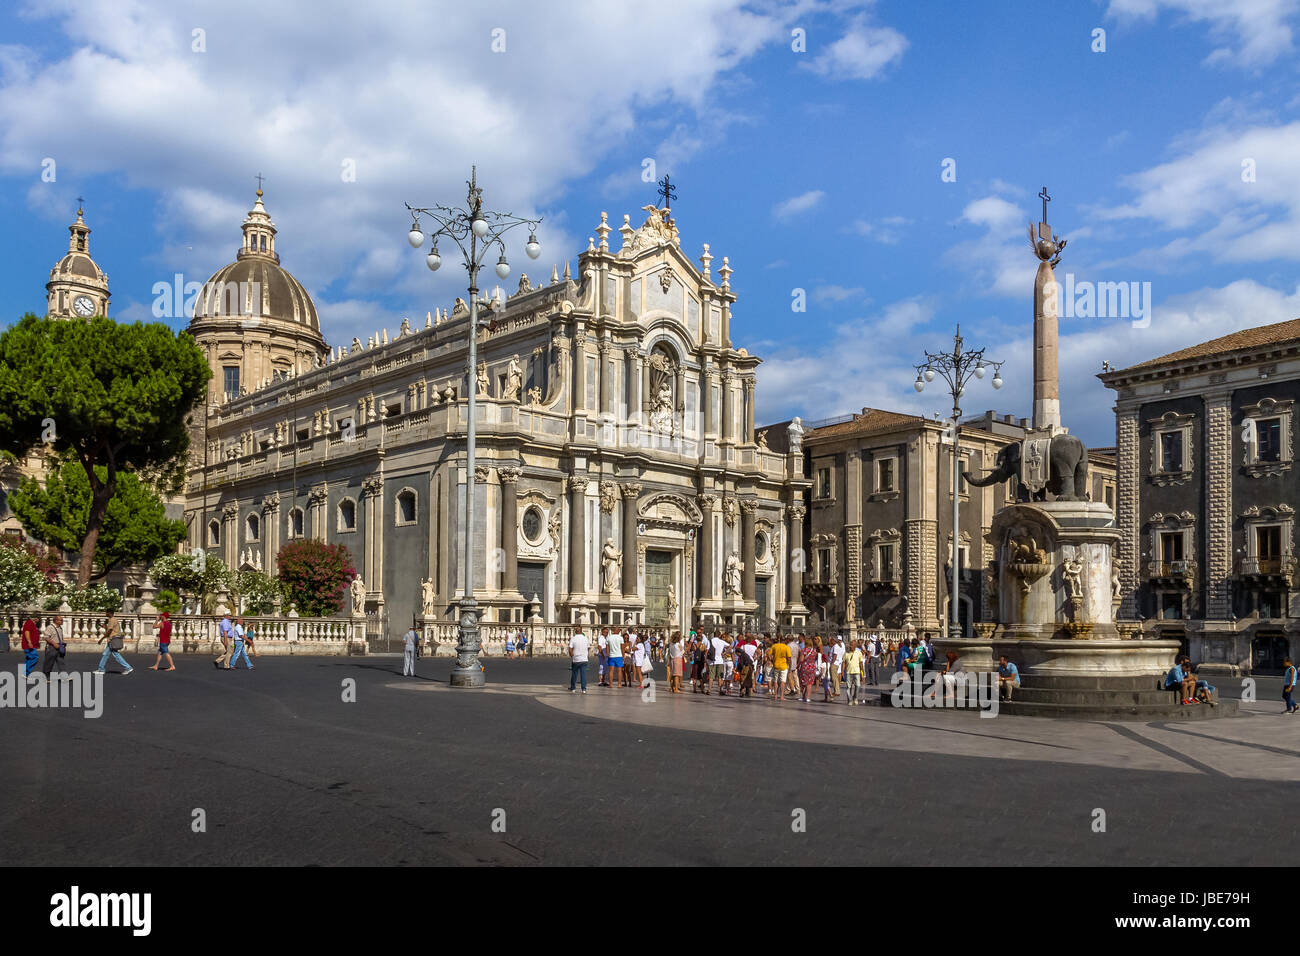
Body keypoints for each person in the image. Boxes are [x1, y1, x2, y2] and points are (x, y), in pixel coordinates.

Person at [96, 610, 133, 675]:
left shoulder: (112, 620)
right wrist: (105, 627)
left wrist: (101, 639)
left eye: (106, 612)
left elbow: (109, 631)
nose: (105, 614)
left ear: (109, 613)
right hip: (112, 640)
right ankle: (101, 669)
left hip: (112, 640)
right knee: (106, 654)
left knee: (115, 655)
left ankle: (128, 667)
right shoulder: (113, 620)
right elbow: (111, 629)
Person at [42, 614, 68, 681]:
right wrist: (54, 644)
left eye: (62, 620)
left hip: (59, 646)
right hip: (51, 647)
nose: (62, 621)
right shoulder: (50, 627)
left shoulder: (60, 628)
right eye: (60, 620)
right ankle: (46, 677)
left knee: (61, 662)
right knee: (49, 662)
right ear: (56, 620)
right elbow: (46, 637)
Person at [768, 637, 791, 702]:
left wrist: (772, 660)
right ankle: (781, 696)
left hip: (776, 666)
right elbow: (789, 658)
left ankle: (775, 695)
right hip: (784, 666)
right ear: (785, 640)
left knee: (775, 681)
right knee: (782, 682)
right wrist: (790, 666)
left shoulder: (774, 646)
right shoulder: (786, 647)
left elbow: (769, 654)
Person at [568, 626, 589, 693]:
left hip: (576, 659)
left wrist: (572, 655)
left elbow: (570, 649)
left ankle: (573, 688)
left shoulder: (573, 639)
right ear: (581, 631)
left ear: (575, 631)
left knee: (574, 674)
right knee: (583, 675)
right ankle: (583, 689)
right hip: (584, 658)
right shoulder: (585, 638)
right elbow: (588, 647)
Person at [797, 637, 819, 703]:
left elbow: (801, 660)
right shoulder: (814, 651)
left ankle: (803, 696)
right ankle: (808, 697)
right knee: (809, 683)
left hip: (805, 668)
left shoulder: (804, 650)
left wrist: (798, 665)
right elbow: (815, 658)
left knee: (803, 683)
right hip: (812, 668)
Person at [843, 639, 864, 705]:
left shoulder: (859, 653)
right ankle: (850, 700)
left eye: (851, 645)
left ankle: (855, 698)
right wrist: (842, 672)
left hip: (857, 672)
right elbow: (844, 663)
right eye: (850, 645)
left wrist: (862, 674)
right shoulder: (846, 653)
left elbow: (861, 664)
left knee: (858, 686)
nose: (850, 646)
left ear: (855, 646)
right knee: (848, 687)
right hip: (849, 672)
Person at [21, 614, 41, 682]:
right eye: (38, 618)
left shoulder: (32, 623)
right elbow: (27, 632)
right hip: (29, 645)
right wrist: (29, 642)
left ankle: (25, 675)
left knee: (29, 659)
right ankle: (25, 673)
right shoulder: (29, 622)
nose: (39, 620)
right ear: (35, 618)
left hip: (31, 645)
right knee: (34, 657)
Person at [708, 631, 728, 695]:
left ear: (714, 635)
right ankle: (720, 690)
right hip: (720, 661)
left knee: (711, 676)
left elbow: (707, 650)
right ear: (719, 635)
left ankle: (709, 690)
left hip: (712, 661)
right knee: (720, 676)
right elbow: (730, 647)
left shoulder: (710, 641)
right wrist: (725, 653)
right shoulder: (722, 642)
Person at [830, 635, 845, 700]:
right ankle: (837, 690)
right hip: (838, 663)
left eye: (832, 640)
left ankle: (837, 691)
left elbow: (835, 655)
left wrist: (832, 663)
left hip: (834, 663)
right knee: (835, 677)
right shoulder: (840, 645)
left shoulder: (835, 646)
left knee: (834, 678)